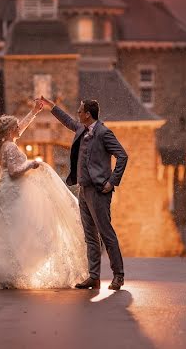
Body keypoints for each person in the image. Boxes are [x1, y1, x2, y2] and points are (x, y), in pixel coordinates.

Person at [0, 99, 88, 290]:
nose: (18, 130)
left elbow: (20, 130)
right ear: (9, 131)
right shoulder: (10, 147)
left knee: (8, 231)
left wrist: (34, 112)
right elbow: (15, 170)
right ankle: (17, 270)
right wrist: (32, 163)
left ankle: (5, 272)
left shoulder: (5, 144)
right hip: (13, 191)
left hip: (6, 190)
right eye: (15, 128)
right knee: (21, 229)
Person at [41, 96, 127, 291]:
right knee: (90, 236)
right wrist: (51, 106)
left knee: (106, 234)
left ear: (88, 114)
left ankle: (118, 276)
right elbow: (68, 121)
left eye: (80, 111)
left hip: (99, 191)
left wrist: (111, 182)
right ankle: (94, 277)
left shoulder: (104, 133)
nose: (78, 113)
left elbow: (122, 155)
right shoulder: (81, 128)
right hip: (83, 189)